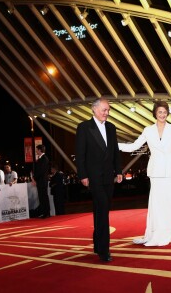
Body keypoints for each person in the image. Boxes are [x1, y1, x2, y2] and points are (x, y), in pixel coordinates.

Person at [118, 100, 171, 246]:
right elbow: (133, 146)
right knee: (156, 203)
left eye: (164, 112)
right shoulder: (148, 130)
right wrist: (114, 144)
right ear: (155, 114)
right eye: (160, 112)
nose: (162, 114)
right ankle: (156, 232)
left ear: (167, 113)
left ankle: (168, 232)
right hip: (156, 171)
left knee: (169, 202)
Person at [75, 97, 123, 262]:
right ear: (94, 110)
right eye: (104, 110)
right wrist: (82, 175)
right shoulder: (84, 127)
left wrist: (119, 171)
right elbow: (80, 154)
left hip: (109, 176)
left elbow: (115, 151)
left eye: (108, 110)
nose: (107, 113)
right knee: (102, 209)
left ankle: (97, 244)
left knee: (101, 210)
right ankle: (104, 250)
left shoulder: (111, 127)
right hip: (94, 177)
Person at [32, 144, 51, 218]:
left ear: (40, 150)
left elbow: (41, 171)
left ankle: (46, 213)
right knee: (42, 197)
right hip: (41, 181)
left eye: (36, 149)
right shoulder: (41, 158)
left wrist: (34, 177)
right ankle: (45, 213)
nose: (36, 151)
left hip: (42, 181)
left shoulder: (44, 158)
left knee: (43, 197)